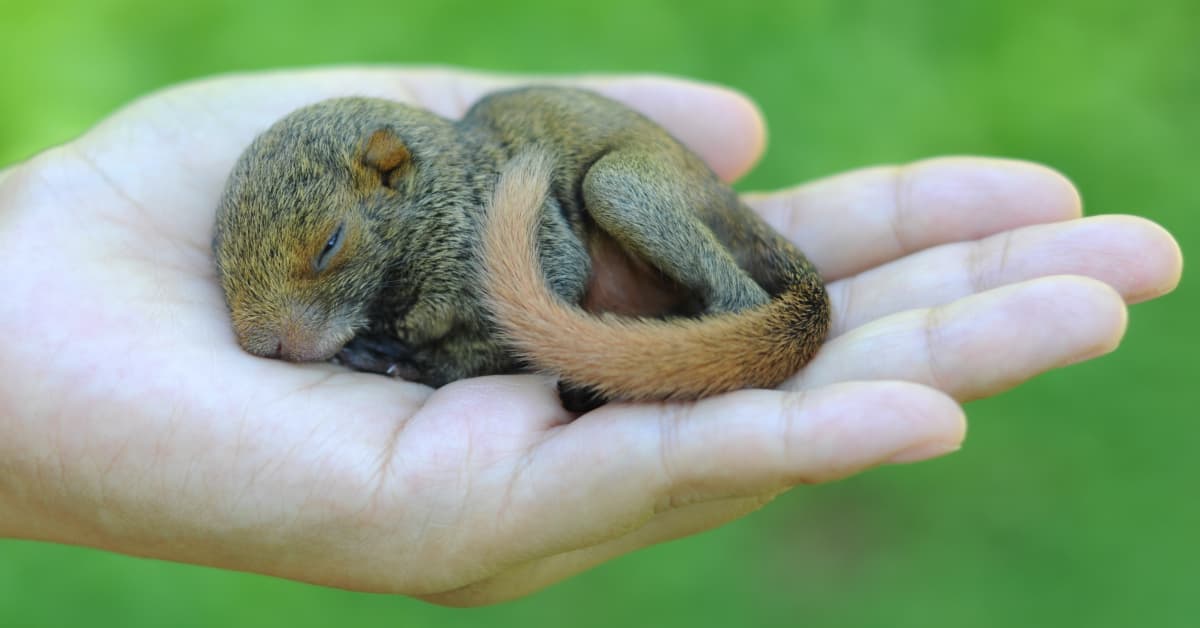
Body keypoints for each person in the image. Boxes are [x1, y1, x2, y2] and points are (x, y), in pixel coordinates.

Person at [0, 68, 1181, 606]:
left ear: (390, 174)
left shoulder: (465, 186)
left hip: (641, 227)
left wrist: (493, 346)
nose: (278, 326)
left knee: (619, 195)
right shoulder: (384, 230)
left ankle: (722, 318)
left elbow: (552, 271)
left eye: (321, 261)